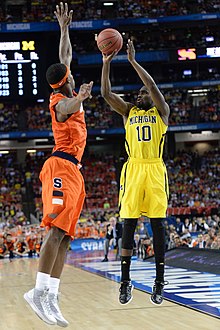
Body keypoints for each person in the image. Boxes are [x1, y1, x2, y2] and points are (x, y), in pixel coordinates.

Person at [24, 2, 93, 327]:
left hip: (74, 170)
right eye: (71, 77)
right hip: (59, 167)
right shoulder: (59, 101)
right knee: (54, 232)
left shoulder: (63, 82)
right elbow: (66, 107)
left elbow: (64, 57)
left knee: (66, 236)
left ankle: (51, 294)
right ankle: (36, 291)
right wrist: (78, 98)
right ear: (66, 82)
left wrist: (63, 28)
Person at [101, 39, 170, 305]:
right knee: (127, 226)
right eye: (138, 94)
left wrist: (132, 61)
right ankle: (125, 282)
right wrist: (106, 64)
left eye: (143, 94)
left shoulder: (162, 112)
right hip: (133, 169)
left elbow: (152, 86)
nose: (140, 96)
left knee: (158, 227)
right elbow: (107, 94)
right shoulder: (128, 111)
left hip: (154, 169)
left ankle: (159, 282)